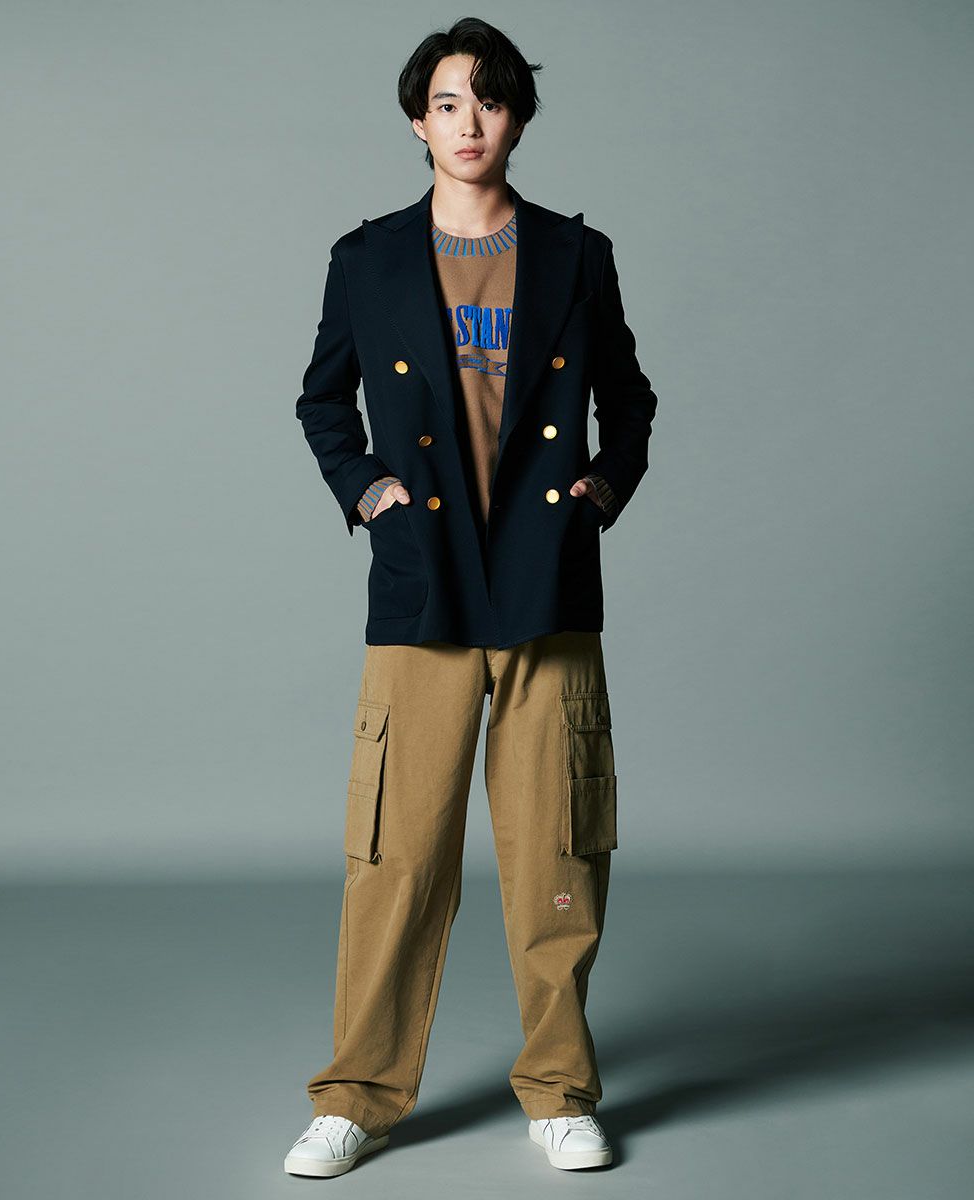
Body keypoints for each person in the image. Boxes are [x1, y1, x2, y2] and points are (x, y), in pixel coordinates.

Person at [284, 16, 658, 1177]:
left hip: (545, 582)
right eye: (448, 102)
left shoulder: (575, 255)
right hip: (424, 583)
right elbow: (321, 401)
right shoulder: (367, 259)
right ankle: (356, 1095)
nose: (469, 122)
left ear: (517, 120)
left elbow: (630, 403)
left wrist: (597, 493)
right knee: (395, 855)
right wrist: (369, 494)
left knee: (558, 852)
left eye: (490, 101)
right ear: (417, 119)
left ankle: (559, 1091)